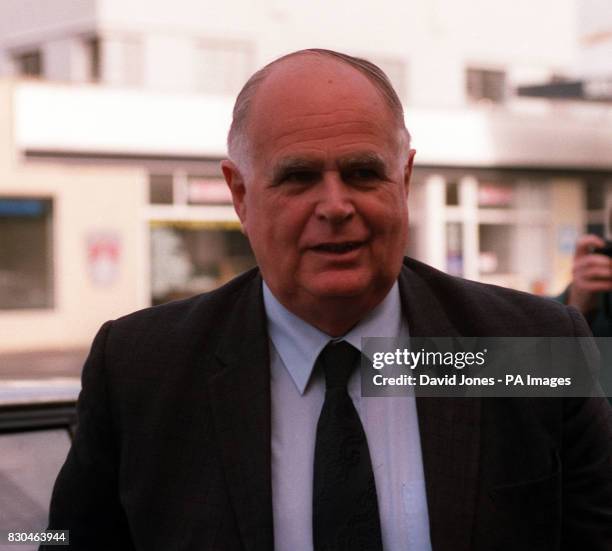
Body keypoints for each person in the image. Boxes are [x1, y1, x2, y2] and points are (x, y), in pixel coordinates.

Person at [43, 49, 611, 551]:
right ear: (239, 195)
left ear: (404, 180)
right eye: (298, 177)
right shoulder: (142, 369)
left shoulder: (532, 349)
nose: (336, 205)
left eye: (364, 173)